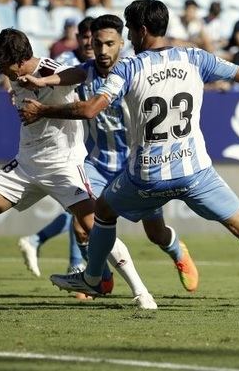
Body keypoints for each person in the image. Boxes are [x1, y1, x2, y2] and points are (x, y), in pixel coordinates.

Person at [17, 0, 239, 313]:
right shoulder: (194, 57)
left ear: (142, 30)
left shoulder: (129, 67)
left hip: (146, 176)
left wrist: (44, 109)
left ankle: (93, 278)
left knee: (104, 210)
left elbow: (91, 108)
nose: (130, 38)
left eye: (131, 31)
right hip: (195, 172)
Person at [0, 28, 159, 310]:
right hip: (27, 164)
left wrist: (43, 90)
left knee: (95, 226)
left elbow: (78, 75)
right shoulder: (16, 78)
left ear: (19, 61)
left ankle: (141, 293)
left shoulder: (53, 71)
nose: (4, 73)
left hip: (63, 165)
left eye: (6, 68)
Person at [19, 15, 200, 294]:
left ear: (121, 44)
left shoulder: (134, 70)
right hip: (97, 165)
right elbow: (70, 74)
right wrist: (42, 83)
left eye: (109, 44)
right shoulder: (86, 72)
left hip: (136, 167)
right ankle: (101, 278)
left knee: (156, 233)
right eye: (97, 44)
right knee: (84, 225)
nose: (102, 51)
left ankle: (176, 250)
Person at [19, 17, 94, 277]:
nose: (87, 41)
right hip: (75, 140)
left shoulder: (105, 64)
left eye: (91, 36)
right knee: (82, 205)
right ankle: (77, 264)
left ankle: (38, 239)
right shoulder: (66, 64)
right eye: (83, 35)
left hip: (99, 140)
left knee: (86, 207)